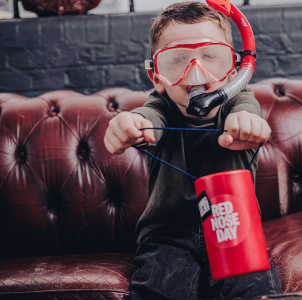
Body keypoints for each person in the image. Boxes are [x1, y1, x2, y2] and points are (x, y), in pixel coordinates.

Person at [104, 1, 281, 299]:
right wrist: (128, 124)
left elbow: (250, 115)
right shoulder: (160, 106)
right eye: (177, 60)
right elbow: (148, 118)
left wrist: (250, 124)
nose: (196, 73)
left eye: (212, 57)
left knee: (253, 291)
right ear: (156, 77)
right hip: (167, 236)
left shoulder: (240, 102)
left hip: (234, 226)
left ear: (233, 70)